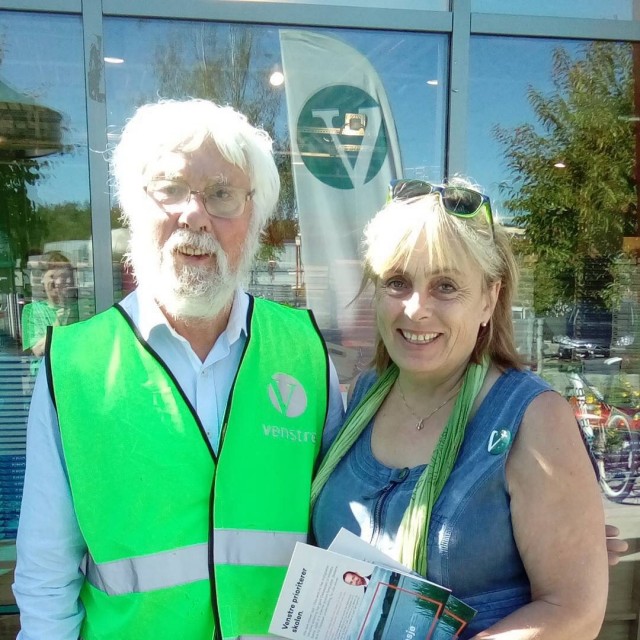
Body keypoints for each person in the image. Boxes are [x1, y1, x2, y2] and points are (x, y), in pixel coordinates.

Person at [13, 99, 343, 640]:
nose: (194, 215)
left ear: (253, 217)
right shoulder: (73, 367)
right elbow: (47, 576)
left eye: (221, 194)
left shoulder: (305, 353)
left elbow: (338, 534)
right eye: (169, 189)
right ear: (132, 208)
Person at [312, 179, 609, 639]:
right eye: (397, 282)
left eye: (445, 286)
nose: (415, 309)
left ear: (489, 299)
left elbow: (574, 612)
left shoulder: (532, 417)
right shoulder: (363, 396)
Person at [21, 251, 78, 358]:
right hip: (46, 372)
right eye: (53, 276)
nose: (56, 283)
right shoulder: (32, 310)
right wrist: (57, 323)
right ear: (43, 278)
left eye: (67, 276)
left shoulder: (79, 308)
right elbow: (38, 351)